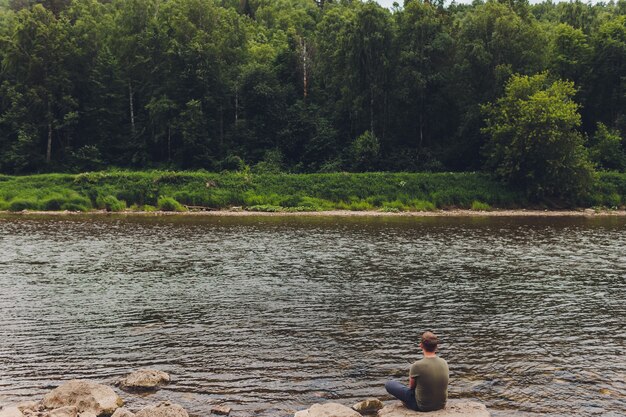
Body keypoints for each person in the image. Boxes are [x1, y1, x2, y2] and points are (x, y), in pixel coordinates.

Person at [385, 331, 449, 412]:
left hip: (422, 407)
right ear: (437, 346)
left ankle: (407, 403)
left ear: (421, 345)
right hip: (441, 405)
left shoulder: (417, 365)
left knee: (389, 384)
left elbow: (411, 388)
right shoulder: (444, 362)